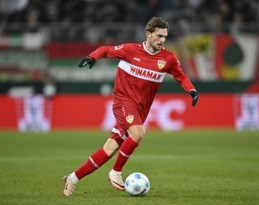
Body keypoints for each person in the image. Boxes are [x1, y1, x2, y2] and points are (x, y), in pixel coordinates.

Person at [63, 17, 199, 196]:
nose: (162, 40)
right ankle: (116, 172)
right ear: (148, 34)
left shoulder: (168, 58)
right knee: (138, 133)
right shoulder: (129, 50)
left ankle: (72, 178)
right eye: (159, 36)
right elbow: (105, 49)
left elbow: (181, 76)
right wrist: (92, 57)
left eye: (165, 36)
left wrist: (192, 90)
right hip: (123, 102)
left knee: (109, 149)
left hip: (141, 110)